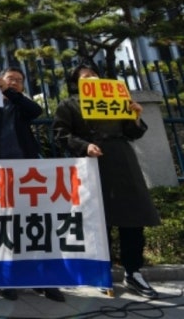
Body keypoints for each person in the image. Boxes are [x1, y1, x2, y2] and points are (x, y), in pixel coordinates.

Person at [53, 63, 161, 299]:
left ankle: (133, 272)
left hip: (122, 158)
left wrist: (135, 116)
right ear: (76, 83)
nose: (91, 78)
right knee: (99, 218)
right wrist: (84, 146)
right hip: (91, 161)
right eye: (85, 77)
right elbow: (61, 133)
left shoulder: (117, 98)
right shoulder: (69, 104)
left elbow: (133, 133)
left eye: (94, 74)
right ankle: (102, 269)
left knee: (133, 216)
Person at [0, 67, 65, 302]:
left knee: (35, 225)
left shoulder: (21, 106)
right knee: (3, 227)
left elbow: (35, 110)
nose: (15, 83)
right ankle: (5, 280)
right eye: (10, 79)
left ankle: (45, 281)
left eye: (19, 81)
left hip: (28, 174)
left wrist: (12, 93)